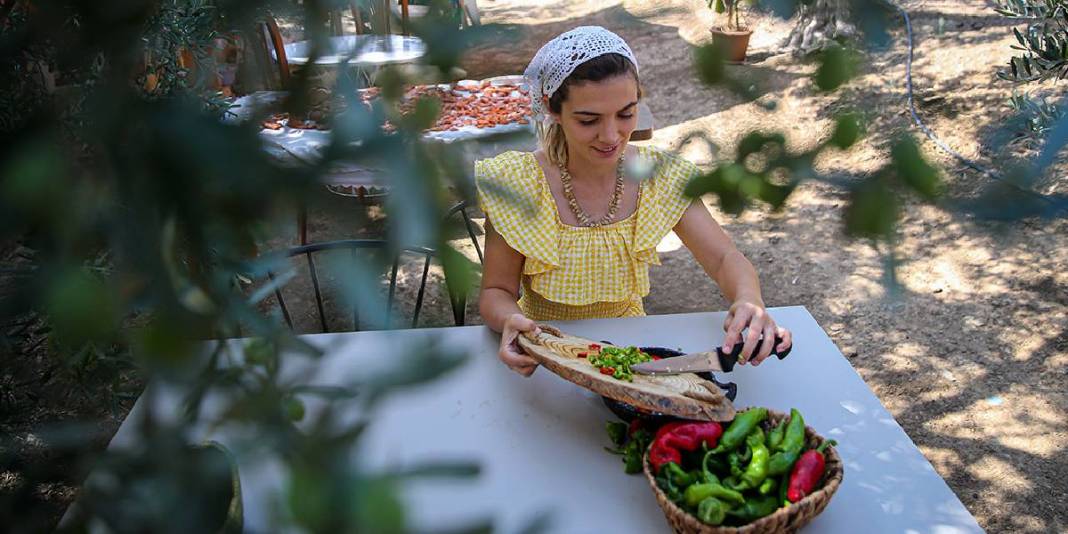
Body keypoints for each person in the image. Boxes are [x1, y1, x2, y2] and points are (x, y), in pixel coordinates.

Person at [475, 26, 792, 377]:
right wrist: (511, 320)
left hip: (629, 357)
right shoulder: (518, 183)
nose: (611, 136)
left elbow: (724, 258)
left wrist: (749, 299)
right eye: (588, 120)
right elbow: (496, 290)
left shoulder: (658, 176)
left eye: (626, 114)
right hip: (544, 355)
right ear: (552, 108)